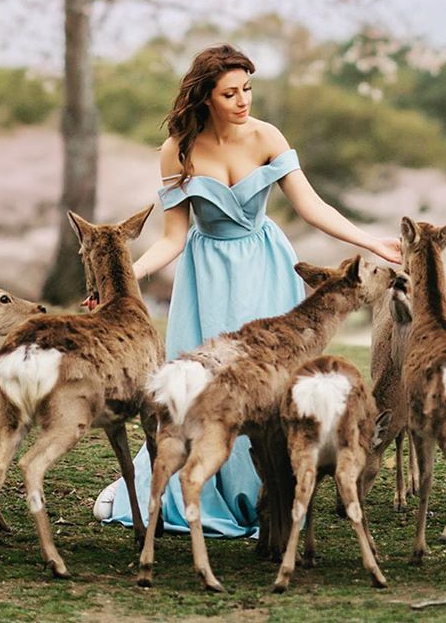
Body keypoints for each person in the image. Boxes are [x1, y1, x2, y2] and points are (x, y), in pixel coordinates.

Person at [95, 42, 402, 537]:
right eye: (230, 93)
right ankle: (205, 490)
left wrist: (371, 242)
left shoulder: (266, 136)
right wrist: (125, 277)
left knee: (271, 385)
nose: (243, 101)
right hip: (207, 275)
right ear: (204, 97)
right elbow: (173, 237)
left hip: (266, 265)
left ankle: (272, 496)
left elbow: (311, 206)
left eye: (248, 89)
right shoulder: (179, 149)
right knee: (212, 386)